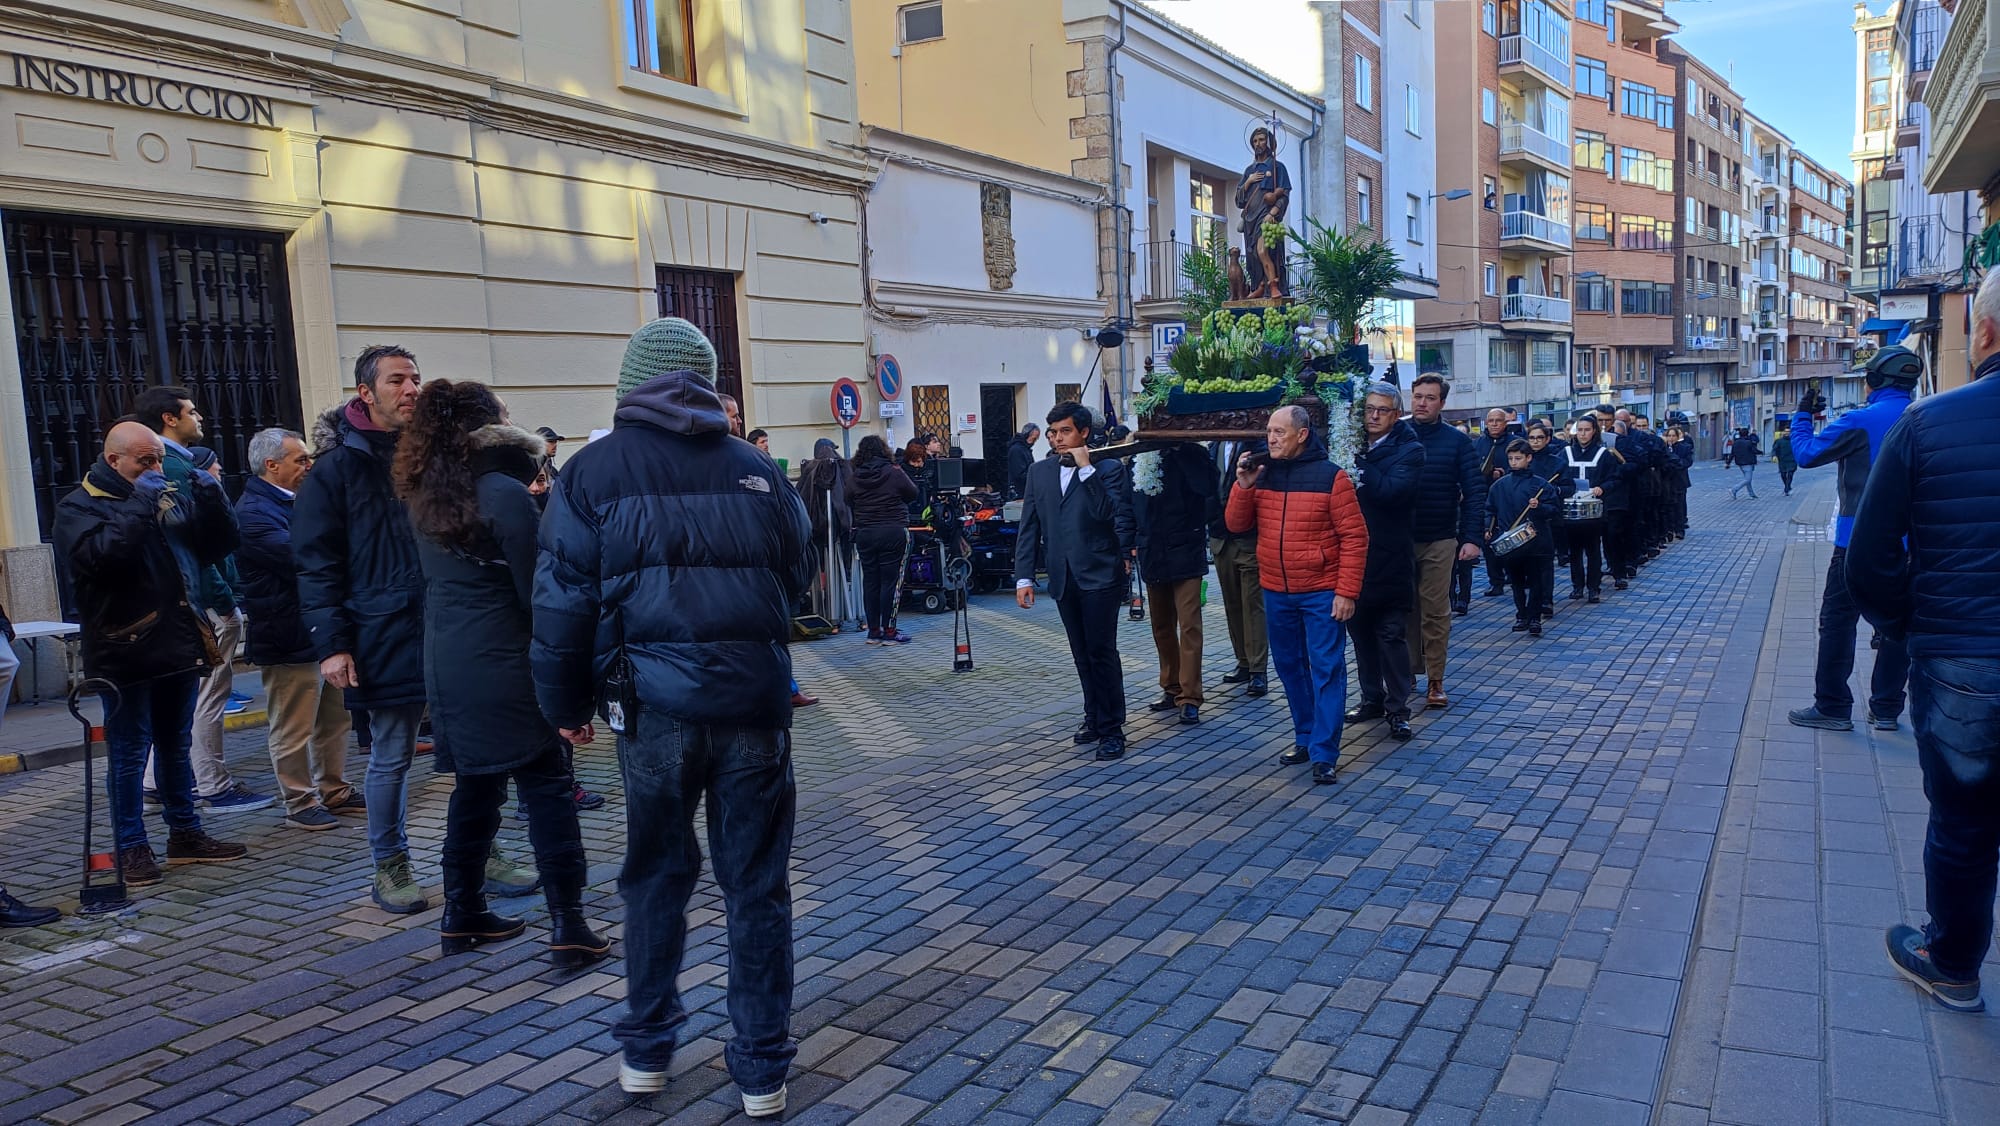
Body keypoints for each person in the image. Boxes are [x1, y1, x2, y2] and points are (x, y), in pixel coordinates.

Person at [533, 316, 813, 1116]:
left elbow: (561, 606)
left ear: (631, 385)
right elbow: (793, 584)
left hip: (652, 708)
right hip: (753, 703)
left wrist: (565, 705)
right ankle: (761, 1067)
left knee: (654, 878)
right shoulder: (756, 467)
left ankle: (647, 1053)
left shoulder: (590, 474)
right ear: (706, 378)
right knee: (756, 886)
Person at [297, 345, 535, 912]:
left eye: (416, 379)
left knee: (471, 748)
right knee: (392, 752)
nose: (411, 389)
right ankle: (390, 864)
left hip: (452, 628)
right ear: (365, 393)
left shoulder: (435, 459)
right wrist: (332, 644)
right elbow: (315, 561)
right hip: (383, 631)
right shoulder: (335, 469)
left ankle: (485, 848)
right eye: (397, 380)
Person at [393, 380, 609, 967]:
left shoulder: (427, 495)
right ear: (491, 428)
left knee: (476, 791)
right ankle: (568, 925)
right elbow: (537, 599)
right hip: (509, 666)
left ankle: (461, 916)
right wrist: (569, 693)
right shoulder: (505, 493)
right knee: (548, 793)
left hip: (450, 665)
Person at [1847, 265, 2000, 1015]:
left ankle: (1954, 964)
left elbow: (1870, 560)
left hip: (1966, 661)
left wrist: (1912, 629)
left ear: (1985, 332)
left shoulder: (1930, 423)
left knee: (1966, 822)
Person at [54, 422, 247, 886]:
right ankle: (130, 848)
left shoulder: (162, 493)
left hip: (177, 638)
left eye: (159, 458)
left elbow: (216, 548)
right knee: (128, 752)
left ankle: (185, 834)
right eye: (146, 460)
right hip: (125, 647)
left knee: (175, 745)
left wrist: (212, 498)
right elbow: (105, 558)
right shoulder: (78, 506)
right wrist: (143, 501)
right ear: (114, 460)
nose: (157, 468)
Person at [130, 387, 269, 813]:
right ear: (170, 419)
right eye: (192, 412)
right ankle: (213, 783)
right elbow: (194, 545)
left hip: (179, 600)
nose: (200, 418)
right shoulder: (174, 465)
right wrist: (224, 602)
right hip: (200, 602)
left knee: (185, 697)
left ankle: (155, 783)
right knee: (208, 696)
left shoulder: (167, 464)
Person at [1225, 406, 1368, 783]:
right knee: (1289, 668)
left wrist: (1346, 592)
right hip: (1276, 590)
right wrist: (1243, 485)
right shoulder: (1263, 473)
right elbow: (1236, 526)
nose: (1270, 438)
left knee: (1326, 670)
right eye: (1269, 431)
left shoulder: (1331, 478)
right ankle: (1304, 736)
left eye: (1279, 432)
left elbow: (1355, 538)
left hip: (1322, 592)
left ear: (1301, 435)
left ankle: (1325, 752)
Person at [1785, 347, 1921, 733]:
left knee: (1838, 621)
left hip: (1856, 540)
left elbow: (1807, 455)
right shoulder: (1926, 417)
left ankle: (1832, 706)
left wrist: (1802, 416)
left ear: (1875, 380)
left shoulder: (1859, 420)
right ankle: (1887, 709)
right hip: (1913, 544)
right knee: (1899, 626)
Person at [235, 428, 361, 831]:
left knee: (335, 719)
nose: (309, 466)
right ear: (272, 465)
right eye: (300, 460)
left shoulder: (301, 501)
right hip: (288, 634)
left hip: (323, 631)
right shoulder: (253, 513)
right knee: (293, 725)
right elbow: (305, 558)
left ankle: (334, 789)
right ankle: (299, 800)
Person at [1015, 402, 1137, 761]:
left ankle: (1113, 728)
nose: (1057, 439)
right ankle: (1093, 717)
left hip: (1100, 573)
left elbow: (1107, 514)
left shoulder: (1109, 468)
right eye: (1052, 433)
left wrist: (1087, 469)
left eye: (1065, 431)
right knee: (1081, 653)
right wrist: (1023, 576)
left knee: (1102, 652)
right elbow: (1029, 527)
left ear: (1083, 432)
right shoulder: (1039, 472)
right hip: (1063, 575)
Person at [1346, 384, 1424, 741]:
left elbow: (1392, 492)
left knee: (1392, 635)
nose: (1373, 416)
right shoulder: (1353, 443)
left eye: (1382, 411)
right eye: (1369, 410)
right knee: (1360, 634)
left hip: (1391, 555)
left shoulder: (1410, 450)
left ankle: (1399, 709)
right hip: (1356, 556)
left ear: (1396, 415)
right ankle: (1371, 699)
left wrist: (1356, 462)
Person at [1404, 375, 1486, 710]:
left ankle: (1435, 680)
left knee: (1435, 611)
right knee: (1403, 609)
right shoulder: (1396, 434)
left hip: (1440, 538)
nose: (1422, 403)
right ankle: (1406, 672)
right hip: (1400, 538)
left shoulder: (1457, 442)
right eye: (1417, 396)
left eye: (1430, 398)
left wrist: (1471, 538)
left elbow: (1474, 493)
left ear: (1442, 403)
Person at [1135, 444, 1211, 725]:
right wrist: (1131, 543)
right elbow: (1132, 504)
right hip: (1153, 552)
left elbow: (1206, 489)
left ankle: (1190, 696)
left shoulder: (1194, 453)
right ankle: (1172, 686)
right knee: (1161, 626)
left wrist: (1184, 449)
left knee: (1189, 624)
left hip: (1186, 551)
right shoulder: (1142, 455)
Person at [1486, 440, 1568, 637]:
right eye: (1511, 459)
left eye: (1518, 458)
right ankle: (1521, 614)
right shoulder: (1499, 486)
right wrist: (1487, 528)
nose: (1514, 462)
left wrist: (1539, 506)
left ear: (1528, 458)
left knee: (1536, 580)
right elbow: (1490, 510)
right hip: (1511, 542)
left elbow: (1555, 510)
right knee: (1515, 580)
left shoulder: (1540, 485)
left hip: (1537, 541)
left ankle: (1534, 618)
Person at [1208, 439, 1269, 697]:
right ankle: (1243, 661)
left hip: (1249, 537)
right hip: (1221, 537)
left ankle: (1258, 670)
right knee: (1232, 604)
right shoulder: (1214, 446)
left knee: (1252, 604)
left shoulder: (1257, 442)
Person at [850, 435, 918, 646]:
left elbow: (847, 498)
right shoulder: (894, 472)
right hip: (893, 531)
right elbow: (913, 493)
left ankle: (873, 631)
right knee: (892, 582)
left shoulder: (855, 476)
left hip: (865, 533)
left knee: (870, 581)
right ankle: (890, 631)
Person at [1559, 415, 1626, 604]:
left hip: (1594, 511)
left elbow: (1615, 478)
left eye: (1587, 430)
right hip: (1571, 509)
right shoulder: (1565, 453)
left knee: (1593, 550)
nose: (1582, 434)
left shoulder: (1603, 454)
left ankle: (1593, 588)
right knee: (1574, 551)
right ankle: (1577, 586)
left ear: (1594, 431)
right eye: (1579, 430)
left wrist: (1602, 488)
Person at [1471, 408, 1520, 599]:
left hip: (1507, 498)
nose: (1493, 424)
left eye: (1498, 421)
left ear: (1505, 423)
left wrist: (1504, 472)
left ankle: (1513, 576)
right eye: (1490, 420)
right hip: (1484, 496)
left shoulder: (1514, 443)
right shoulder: (1478, 444)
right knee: (1488, 540)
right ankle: (1495, 581)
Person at [1525, 423, 1568, 622]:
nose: (1535, 442)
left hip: (1549, 516)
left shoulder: (1557, 462)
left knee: (1545, 561)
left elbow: (1568, 486)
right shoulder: (1524, 461)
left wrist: (1553, 492)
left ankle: (1546, 600)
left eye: (1539, 438)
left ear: (1547, 439)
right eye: (1532, 438)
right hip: (1527, 517)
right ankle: (1532, 599)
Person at [1661, 425, 1694, 539]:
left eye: (1673, 436)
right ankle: (1669, 529)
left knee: (1679, 505)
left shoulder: (1684, 448)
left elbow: (1687, 462)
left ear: (1677, 436)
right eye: (1669, 436)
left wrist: (1677, 463)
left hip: (1679, 480)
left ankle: (1679, 529)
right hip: (1666, 481)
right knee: (1668, 505)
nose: (1671, 438)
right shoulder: (1663, 447)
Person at [1005, 424, 1040, 499]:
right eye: (1033, 439)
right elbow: (1019, 474)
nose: (1034, 442)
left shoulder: (1024, 449)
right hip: (1019, 492)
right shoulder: (1017, 450)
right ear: (1027, 435)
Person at [1727, 427, 1762, 498]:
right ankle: (1734, 489)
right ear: (1747, 434)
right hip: (1748, 463)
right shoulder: (1749, 442)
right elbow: (1754, 451)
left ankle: (1751, 494)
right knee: (1748, 479)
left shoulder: (1736, 442)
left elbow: (1732, 454)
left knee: (1747, 479)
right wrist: (1761, 452)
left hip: (1740, 463)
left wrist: (1728, 463)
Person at [1772, 421, 1797, 496]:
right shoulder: (1779, 441)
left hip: (1792, 460)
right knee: (1783, 474)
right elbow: (1774, 449)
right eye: (1786, 431)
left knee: (1790, 474)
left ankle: (1787, 489)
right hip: (1782, 460)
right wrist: (1774, 455)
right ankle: (1787, 487)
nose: (1787, 433)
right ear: (1783, 432)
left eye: (1789, 431)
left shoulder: (1794, 441)